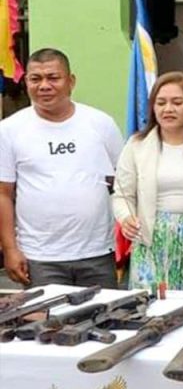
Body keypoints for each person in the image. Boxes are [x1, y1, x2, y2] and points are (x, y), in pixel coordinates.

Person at [0, 48, 123, 287]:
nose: (44, 86)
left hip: (97, 253)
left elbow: (123, 182)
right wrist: (10, 249)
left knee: (105, 311)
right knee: (47, 313)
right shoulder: (9, 130)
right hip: (40, 258)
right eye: (35, 79)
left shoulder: (101, 124)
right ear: (26, 83)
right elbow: (3, 194)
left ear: (71, 82)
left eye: (53, 78)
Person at [112, 71, 183, 294]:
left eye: (177, 102)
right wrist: (126, 218)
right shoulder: (136, 145)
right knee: (152, 305)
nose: (168, 109)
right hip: (150, 240)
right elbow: (122, 194)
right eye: (161, 103)